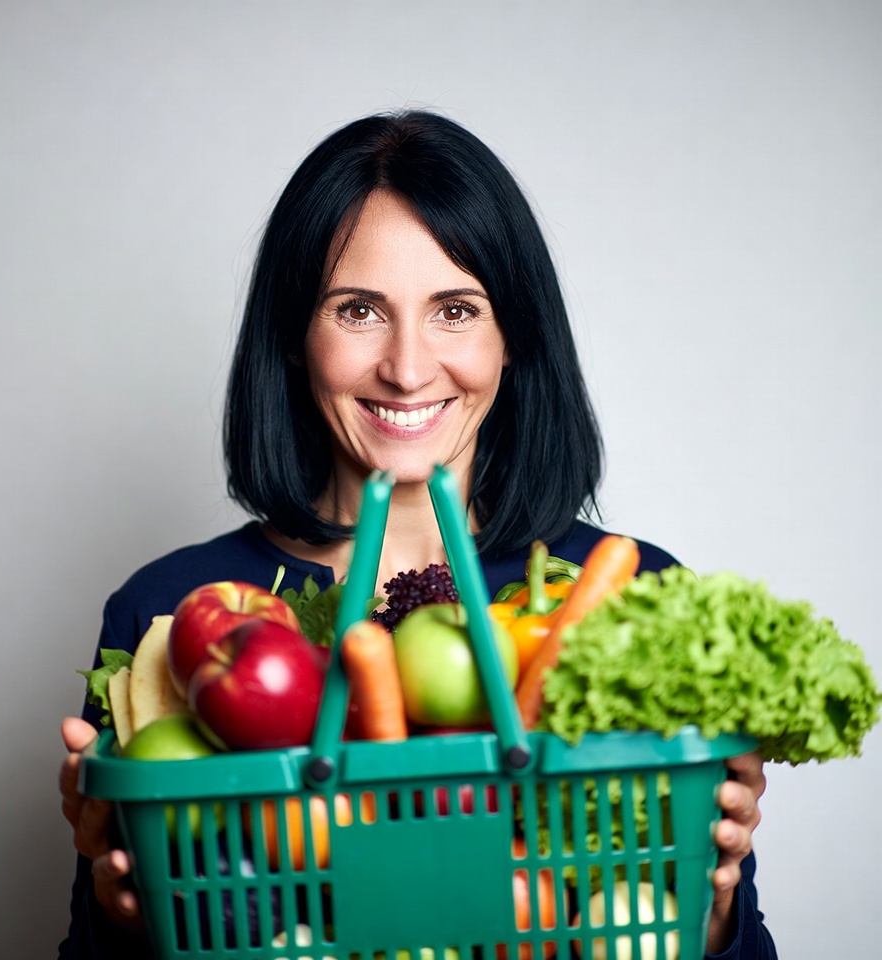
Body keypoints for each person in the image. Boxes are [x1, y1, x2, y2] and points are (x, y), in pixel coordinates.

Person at [59, 110, 775, 959]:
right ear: (296, 336)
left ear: (515, 336)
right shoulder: (165, 616)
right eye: (358, 310)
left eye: (456, 310)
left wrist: (714, 906)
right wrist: (124, 917)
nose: (406, 366)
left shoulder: (634, 601)